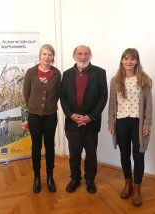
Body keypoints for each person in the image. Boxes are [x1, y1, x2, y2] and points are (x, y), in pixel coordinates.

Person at [60, 45, 108, 194]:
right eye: (79, 54)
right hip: (72, 123)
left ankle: (90, 180)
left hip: (91, 123)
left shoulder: (100, 73)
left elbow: (103, 97)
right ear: (74, 56)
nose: (83, 57)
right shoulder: (67, 74)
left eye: (86, 54)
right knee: (74, 154)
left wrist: (91, 117)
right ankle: (75, 179)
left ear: (90, 56)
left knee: (91, 154)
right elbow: (63, 97)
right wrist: (70, 115)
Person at [108, 48, 152, 206]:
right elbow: (112, 104)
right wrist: (111, 122)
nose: (128, 61)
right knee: (124, 154)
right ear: (121, 60)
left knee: (139, 155)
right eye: (125, 58)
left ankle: (137, 188)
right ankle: (128, 184)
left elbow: (148, 105)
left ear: (137, 61)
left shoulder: (144, 80)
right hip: (121, 122)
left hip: (137, 123)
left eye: (132, 59)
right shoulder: (115, 81)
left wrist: (147, 124)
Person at [23, 44, 61, 193]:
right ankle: (37, 176)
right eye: (44, 54)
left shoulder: (57, 73)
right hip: (34, 117)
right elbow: (26, 94)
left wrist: (48, 107)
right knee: (36, 146)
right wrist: (35, 107)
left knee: (50, 146)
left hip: (51, 116)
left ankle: (50, 176)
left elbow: (58, 93)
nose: (47, 57)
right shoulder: (31, 72)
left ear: (53, 57)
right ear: (40, 55)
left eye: (50, 54)